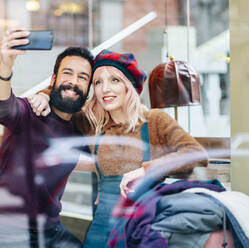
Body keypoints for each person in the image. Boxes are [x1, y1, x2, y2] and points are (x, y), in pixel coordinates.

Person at [30, 49, 208, 247]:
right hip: (101, 229)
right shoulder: (91, 124)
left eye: (114, 80)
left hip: (142, 228)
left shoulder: (155, 121)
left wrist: (146, 170)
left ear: (128, 86)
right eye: (98, 82)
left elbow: (196, 153)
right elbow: (64, 98)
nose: (105, 89)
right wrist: (45, 95)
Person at [0, 29, 94, 247]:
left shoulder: (80, 128)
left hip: (51, 230)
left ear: (88, 89)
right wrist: (6, 65)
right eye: (67, 73)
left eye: (83, 77)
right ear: (53, 79)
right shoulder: (29, 112)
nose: (73, 81)